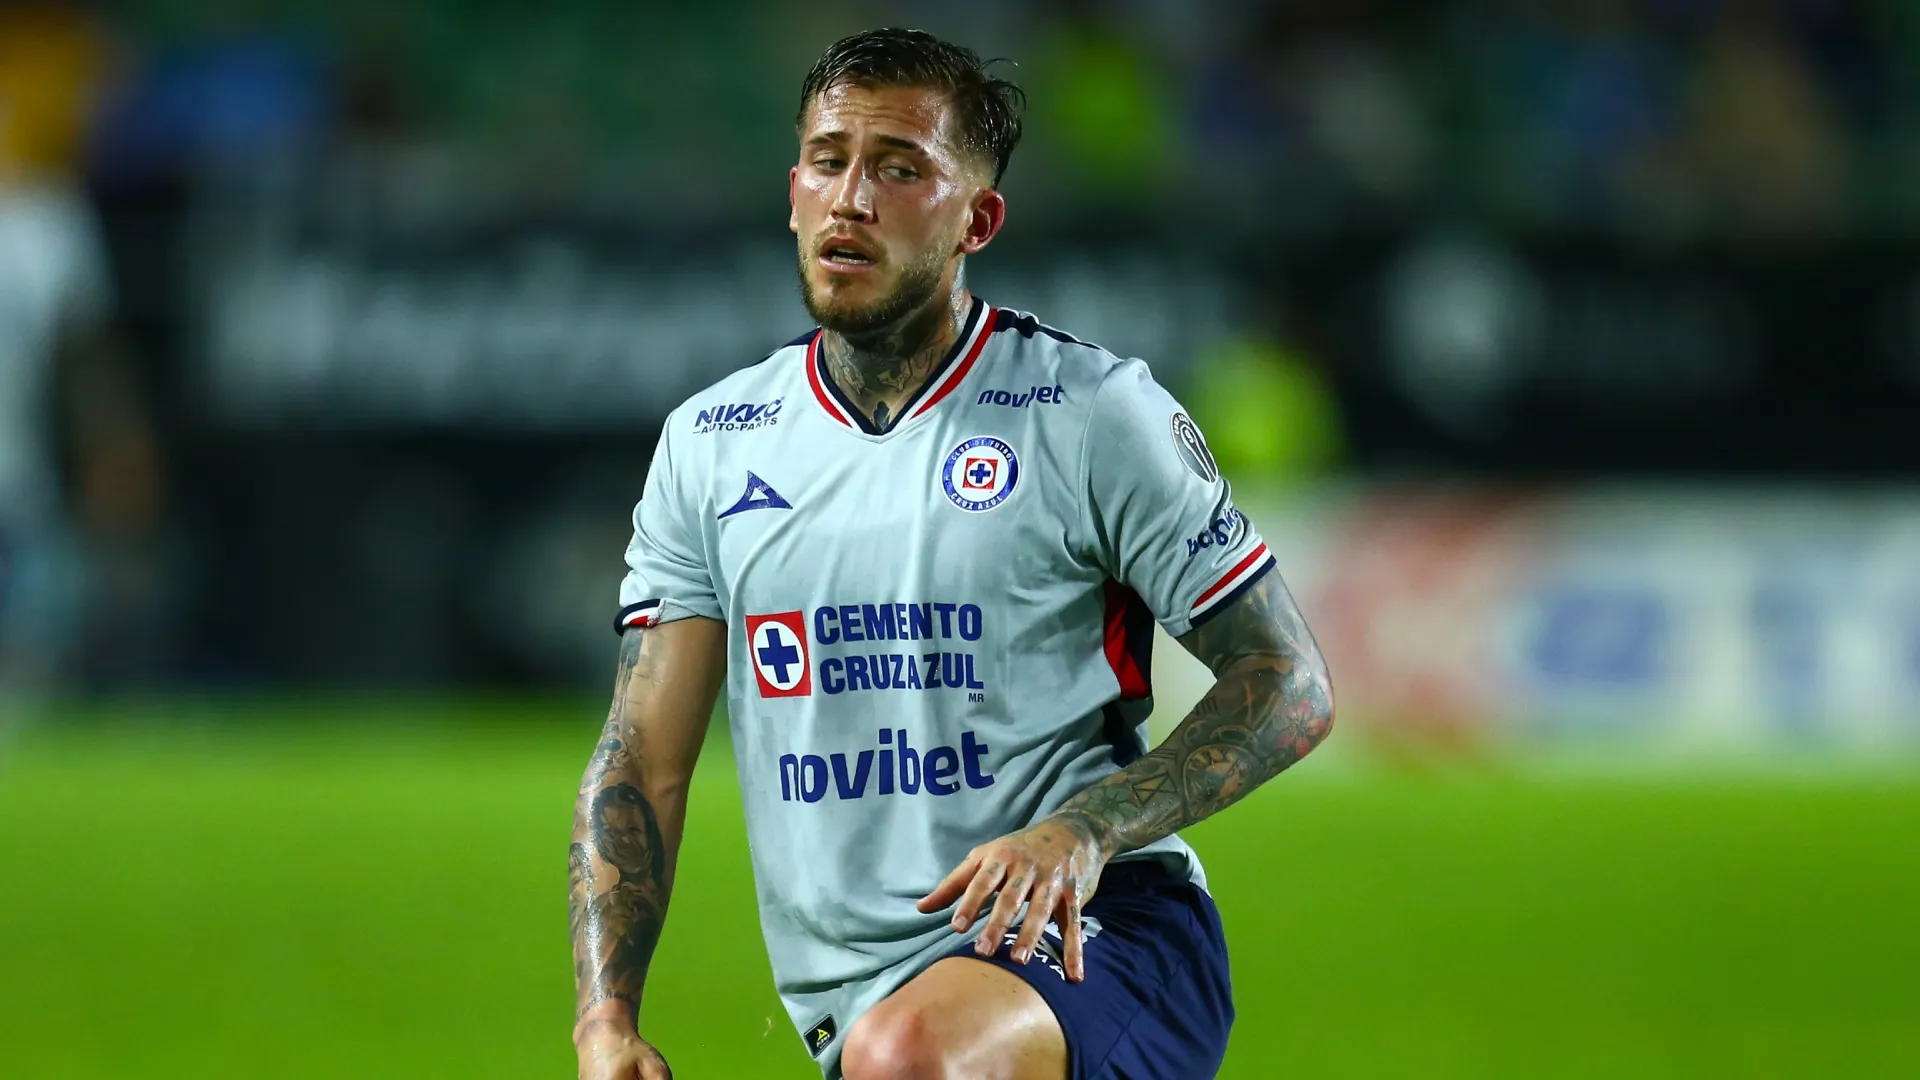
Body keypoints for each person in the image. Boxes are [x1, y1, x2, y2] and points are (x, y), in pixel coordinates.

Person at [569, 28, 1334, 1080]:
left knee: (910, 1057)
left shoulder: (1089, 415)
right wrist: (604, 1021)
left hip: (1100, 931)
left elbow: (1289, 680)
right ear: (792, 188)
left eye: (899, 170)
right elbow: (641, 762)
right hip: (863, 1001)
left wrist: (1083, 829)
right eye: (829, 161)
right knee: (899, 1048)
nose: (851, 199)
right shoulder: (712, 447)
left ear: (978, 219)